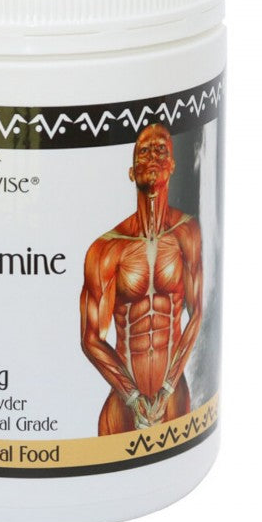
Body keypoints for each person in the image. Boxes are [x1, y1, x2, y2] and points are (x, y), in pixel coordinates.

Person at [80, 124, 203, 435]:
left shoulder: (187, 233)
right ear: (131, 172)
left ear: (172, 165)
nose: (153, 156)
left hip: (173, 395)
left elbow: (196, 313)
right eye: (144, 151)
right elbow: (91, 337)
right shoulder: (106, 249)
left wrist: (168, 387)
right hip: (124, 404)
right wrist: (133, 398)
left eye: (161, 149)